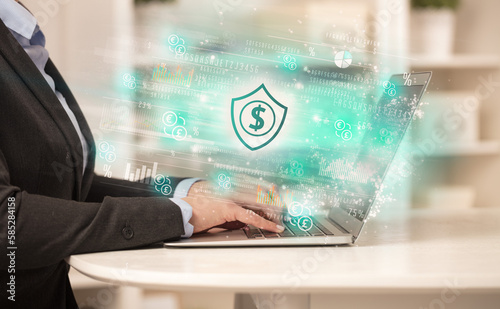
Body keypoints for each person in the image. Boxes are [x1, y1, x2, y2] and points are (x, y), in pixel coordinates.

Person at [0, 1, 284, 308]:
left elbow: (64, 186)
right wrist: (183, 214)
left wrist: (190, 194)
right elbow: (7, 224)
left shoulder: (19, 34)